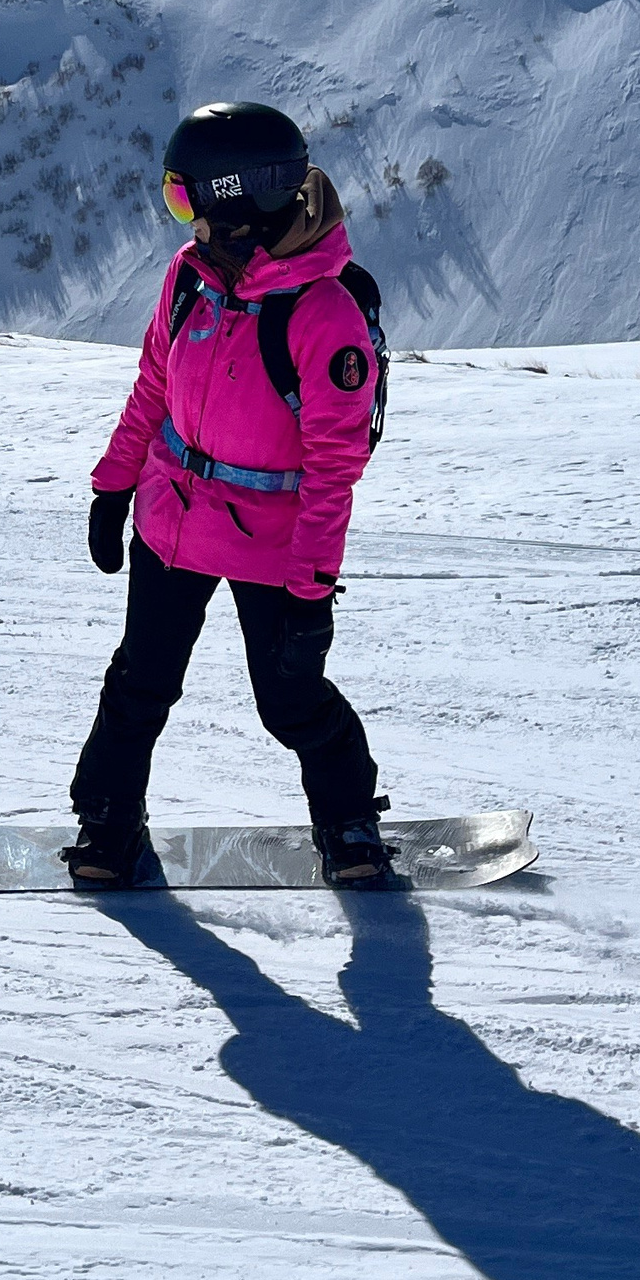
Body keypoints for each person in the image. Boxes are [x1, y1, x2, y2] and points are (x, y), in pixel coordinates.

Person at [70, 100, 390, 891]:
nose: (181, 217)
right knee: (139, 683)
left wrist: (312, 590)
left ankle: (348, 819)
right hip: (172, 524)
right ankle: (108, 819)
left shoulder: (324, 316)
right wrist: (113, 486)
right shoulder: (190, 278)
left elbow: (333, 469)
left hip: (273, 549)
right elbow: (153, 386)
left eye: (186, 198)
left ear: (236, 197)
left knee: (291, 702)